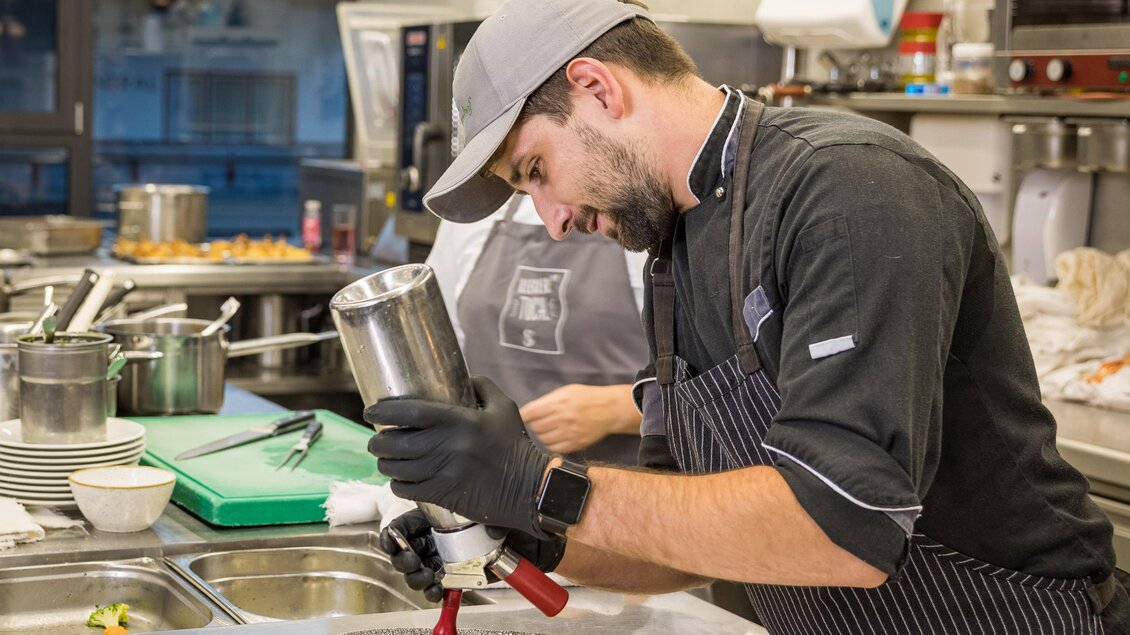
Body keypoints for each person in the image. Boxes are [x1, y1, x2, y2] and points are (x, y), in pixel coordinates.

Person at [365, 0, 1130, 632]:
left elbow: (842, 523)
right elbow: (686, 544)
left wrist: (539, 482)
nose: (553, 218)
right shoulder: (673, 249)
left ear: (597, 87)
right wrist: (523, 534)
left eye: (535, 171)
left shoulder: (848, 189)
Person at [425, 193, 648, 464]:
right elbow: (437, 359)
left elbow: (707, 392)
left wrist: (617, 409)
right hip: (489, 480)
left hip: (623, 487)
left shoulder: (639, 217)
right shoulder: (471, 214)